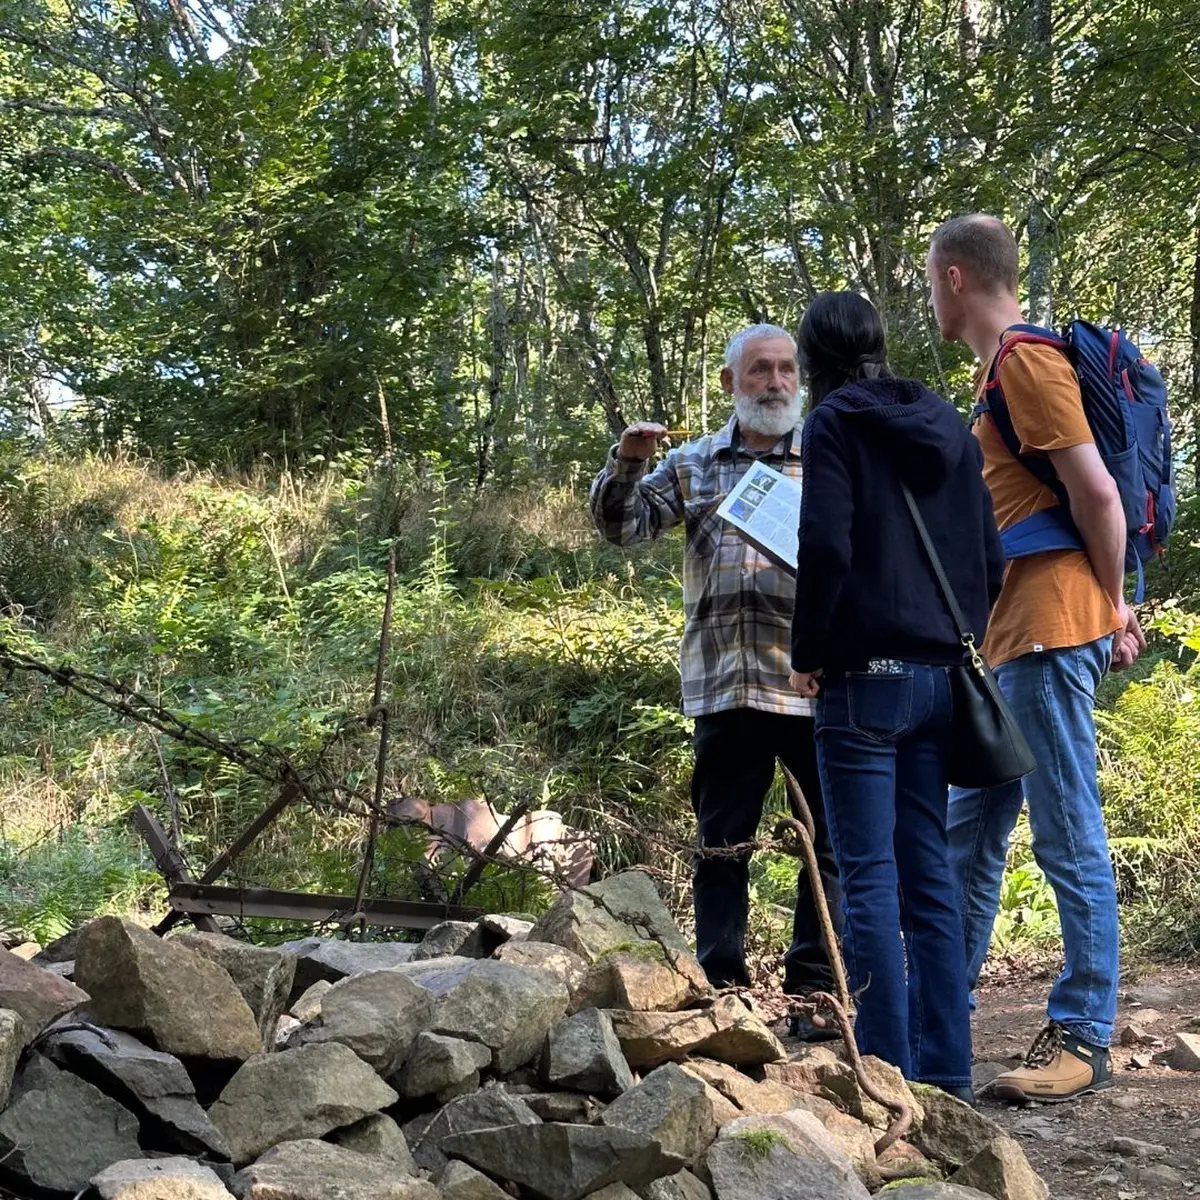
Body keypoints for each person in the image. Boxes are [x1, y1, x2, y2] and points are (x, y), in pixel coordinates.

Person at [927, 214, 1145, 1103]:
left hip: (1054, 629)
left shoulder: (1025, 362)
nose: (930, 298)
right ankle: (936, 1012)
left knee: (1066, 832)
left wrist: (1115, 604)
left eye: (930, 282)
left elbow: (1097, 492)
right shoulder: (995, 375)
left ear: (954, 278)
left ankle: (1083, 1035)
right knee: (969, 831)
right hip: (1014, 635)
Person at [590, 323, 843, 1036]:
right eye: (760, 369)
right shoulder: (695, 463)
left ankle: (815, 991)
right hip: (727, 686)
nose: (776, 382)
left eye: (787, 369)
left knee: (826, 847)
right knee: (721, 846)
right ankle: (724, 990)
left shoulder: (828, 459)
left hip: (813, 684)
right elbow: (623, 528)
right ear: (730, 383)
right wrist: (627, 463)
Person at [788, 290, 1005, 1097]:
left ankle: (885, 1074)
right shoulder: (948, 420)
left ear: (813, 359)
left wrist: (809, 653)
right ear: (879, 344)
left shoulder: (833, 422)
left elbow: (825, 545)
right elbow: (991, 556)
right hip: (943, 679)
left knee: (869, 878)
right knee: (928, 877)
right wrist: (956, 636)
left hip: (862, 685)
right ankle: (948, 1071)